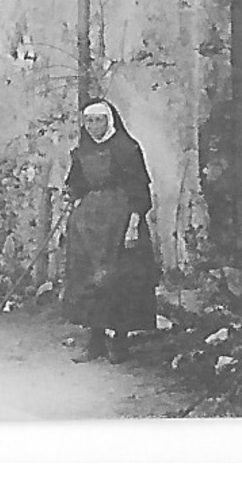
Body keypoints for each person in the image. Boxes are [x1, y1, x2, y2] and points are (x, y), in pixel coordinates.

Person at [61, 98, 158, 363]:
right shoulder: (82, 151)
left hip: (120, 220)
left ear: (110, 120)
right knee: (89, 279)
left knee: (120, 280)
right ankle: (95, 341)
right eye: (89, 121)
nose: (93, 126)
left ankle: (120, 342)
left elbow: (139, 190)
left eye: (99, 120)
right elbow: (77, 184)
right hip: (89, 225)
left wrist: (134, 224)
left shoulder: (127, 149)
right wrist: (71, 196)